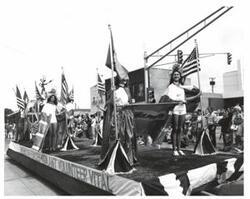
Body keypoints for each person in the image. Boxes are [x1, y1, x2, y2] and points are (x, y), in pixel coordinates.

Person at [100, 77, 138, 166]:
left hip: (127, 115)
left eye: (124, 79)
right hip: (117, 115)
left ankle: (128, 158)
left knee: (128, 136)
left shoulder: (127, 91)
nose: (123, 81)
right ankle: (116, 158)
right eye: (121, 79)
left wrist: (129, 104)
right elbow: (109, 103)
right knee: (117, 135)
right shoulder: (114, 91)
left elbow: (129, 102)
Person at [163, 65, 186, 156]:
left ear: (180, 76)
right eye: (175, 74)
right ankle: (174, 149)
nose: (176, 76)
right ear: (173, 76)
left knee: (180, 129)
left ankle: (179, 148)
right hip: (175, 108)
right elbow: (169, 98)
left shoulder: (182, 86)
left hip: (183, 108)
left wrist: (185, 101)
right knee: (175, 128)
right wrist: (177, 101)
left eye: (178, 74)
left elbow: (184, 97)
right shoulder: (170, 87)